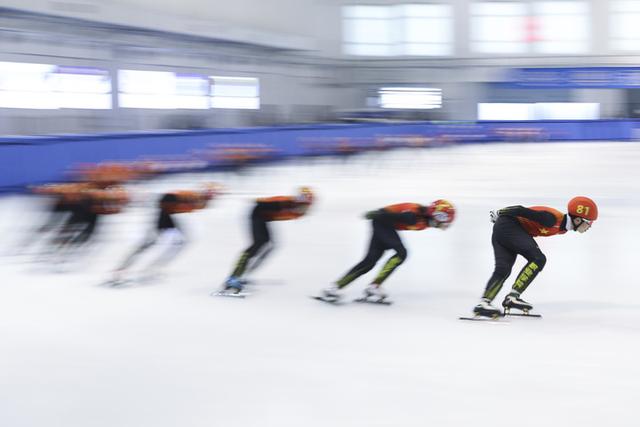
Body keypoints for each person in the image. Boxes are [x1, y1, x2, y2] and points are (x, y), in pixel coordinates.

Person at [473, 196, 598, 318]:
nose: (590, 226)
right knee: (538, 259)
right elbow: (520, 209)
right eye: (589, 222)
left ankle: (484, 303)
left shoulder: (562, 227)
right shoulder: (553, 219)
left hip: (504, 228)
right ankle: (513, 297)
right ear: (577, 220)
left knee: (503, 269)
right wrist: (500, 212)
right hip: (510, 226)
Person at [318, 199, 456, 303]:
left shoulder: (423, 218)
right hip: (381, 222)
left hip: (384, 225)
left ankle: (334, 288)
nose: (443, 225)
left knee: (370, 261)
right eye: (444, 220)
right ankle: (373, 286)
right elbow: (389, 215)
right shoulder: (414, 215)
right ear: (436, 215)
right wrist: (375, 213)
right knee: (401, 253)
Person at [110, 185, 218, 284]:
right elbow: (168, 200)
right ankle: (122, 270)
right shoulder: (188, 196)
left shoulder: (194, 200)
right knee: (148, 243)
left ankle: (150, 268)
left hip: (169, 213)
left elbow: (183, 208)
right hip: (165, 212)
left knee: (180, 242)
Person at [220, 187, 314, 295]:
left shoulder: (299, 213)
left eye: (307, 206)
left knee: (270, 244)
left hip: (265, 218)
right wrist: (258, 200)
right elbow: (261, 203)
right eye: (302, 205)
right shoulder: (283, 201)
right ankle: (233, 278)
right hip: (256, 214)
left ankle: (242, 274)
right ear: (296, 201)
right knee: (257, 244)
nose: (304, 209)